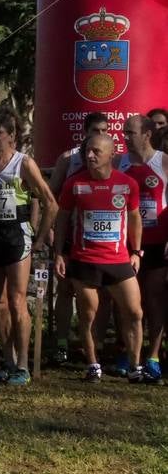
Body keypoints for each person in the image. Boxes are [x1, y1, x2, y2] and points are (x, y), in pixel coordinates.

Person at [0, 109, 57, 385]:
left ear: (12, 136)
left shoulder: (23, 164)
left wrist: (40, 238)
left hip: (16, 236)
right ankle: (7, 360)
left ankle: (22, 364)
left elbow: (51, 203)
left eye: (0, 133)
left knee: (18, 302)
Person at [54, 133, 145, 382]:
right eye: (87, 152)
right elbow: (62, 218)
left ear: (111, 154)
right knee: (88, 315)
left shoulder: (128, 184)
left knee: (135, 312)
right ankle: (93, 364)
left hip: (118, 261)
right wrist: (60, 253)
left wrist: (136, 251)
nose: (90, 156)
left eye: (96, 151)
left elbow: (135, 218)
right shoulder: (75, 183)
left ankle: (136, 366)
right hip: (84, 260)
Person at [48, 111, 114, 362]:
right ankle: (62, 343)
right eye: (96, 130)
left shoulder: (112, 159)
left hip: (100, 239)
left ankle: (94, 344)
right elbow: (51, 196)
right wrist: (51, 229)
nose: (100, 135)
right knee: (65, 290)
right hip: (71, 235)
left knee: (103, 294)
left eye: (104, 130)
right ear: (85, 132)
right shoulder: (69, 158)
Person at [123, 114, 166, 383]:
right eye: (125, 133)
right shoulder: (119, 162)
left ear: (147, 134)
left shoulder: (163, 162)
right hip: (127, 244)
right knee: (129, 303)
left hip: (158, 242)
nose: (125, 137)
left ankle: (153, 356)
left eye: (130, 133)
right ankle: (130, 354)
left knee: (155, 299)